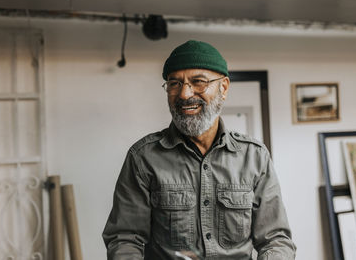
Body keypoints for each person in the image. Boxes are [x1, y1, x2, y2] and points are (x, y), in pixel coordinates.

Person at [102, 40, 296, 260]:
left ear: (223, 88)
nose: (185, 94)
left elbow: (276, 239)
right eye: (174, 83)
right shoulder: (143, 158)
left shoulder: (255, 157)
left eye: (198, 82)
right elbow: (125, 239)